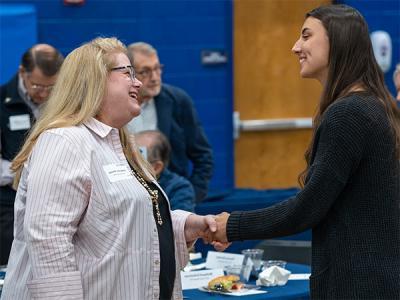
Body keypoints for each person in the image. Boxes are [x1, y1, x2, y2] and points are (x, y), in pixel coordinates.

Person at [1, 37, 227, 300]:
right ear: (94, 79)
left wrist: (186, 225)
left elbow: (120, 222)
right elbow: (49, 240)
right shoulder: (64, 140)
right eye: (127, 72)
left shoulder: (118, 142)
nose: (138, 82)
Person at [211, 4, 400, 299]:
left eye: (307, 36)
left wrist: (233, 225)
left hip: (359, 284)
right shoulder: (373, 104)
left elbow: (308, 207)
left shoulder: (349, 113)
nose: (295, 46)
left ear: (337, 41)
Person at [0, 44, 64, 265]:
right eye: (37, 85)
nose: (44, 94)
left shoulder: (65, 103)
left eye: (51, 87)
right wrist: (27, 173)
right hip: (10, 200)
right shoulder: (1, 101)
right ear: (21, 73)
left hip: (58, 198)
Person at [126, 42, 213, 203]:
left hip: (171, 196)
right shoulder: (117, 105)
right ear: (129, 74)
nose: (154, 77)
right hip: (128, 196)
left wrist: (192, 195)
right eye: (145, 71)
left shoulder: (178, 101)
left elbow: (203, 156)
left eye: (157, 68)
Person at [135, 130, 196, 212]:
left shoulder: (178, 187)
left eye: (136, 160)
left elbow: (180, 222)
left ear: (156, 168)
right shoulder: (124, 181)